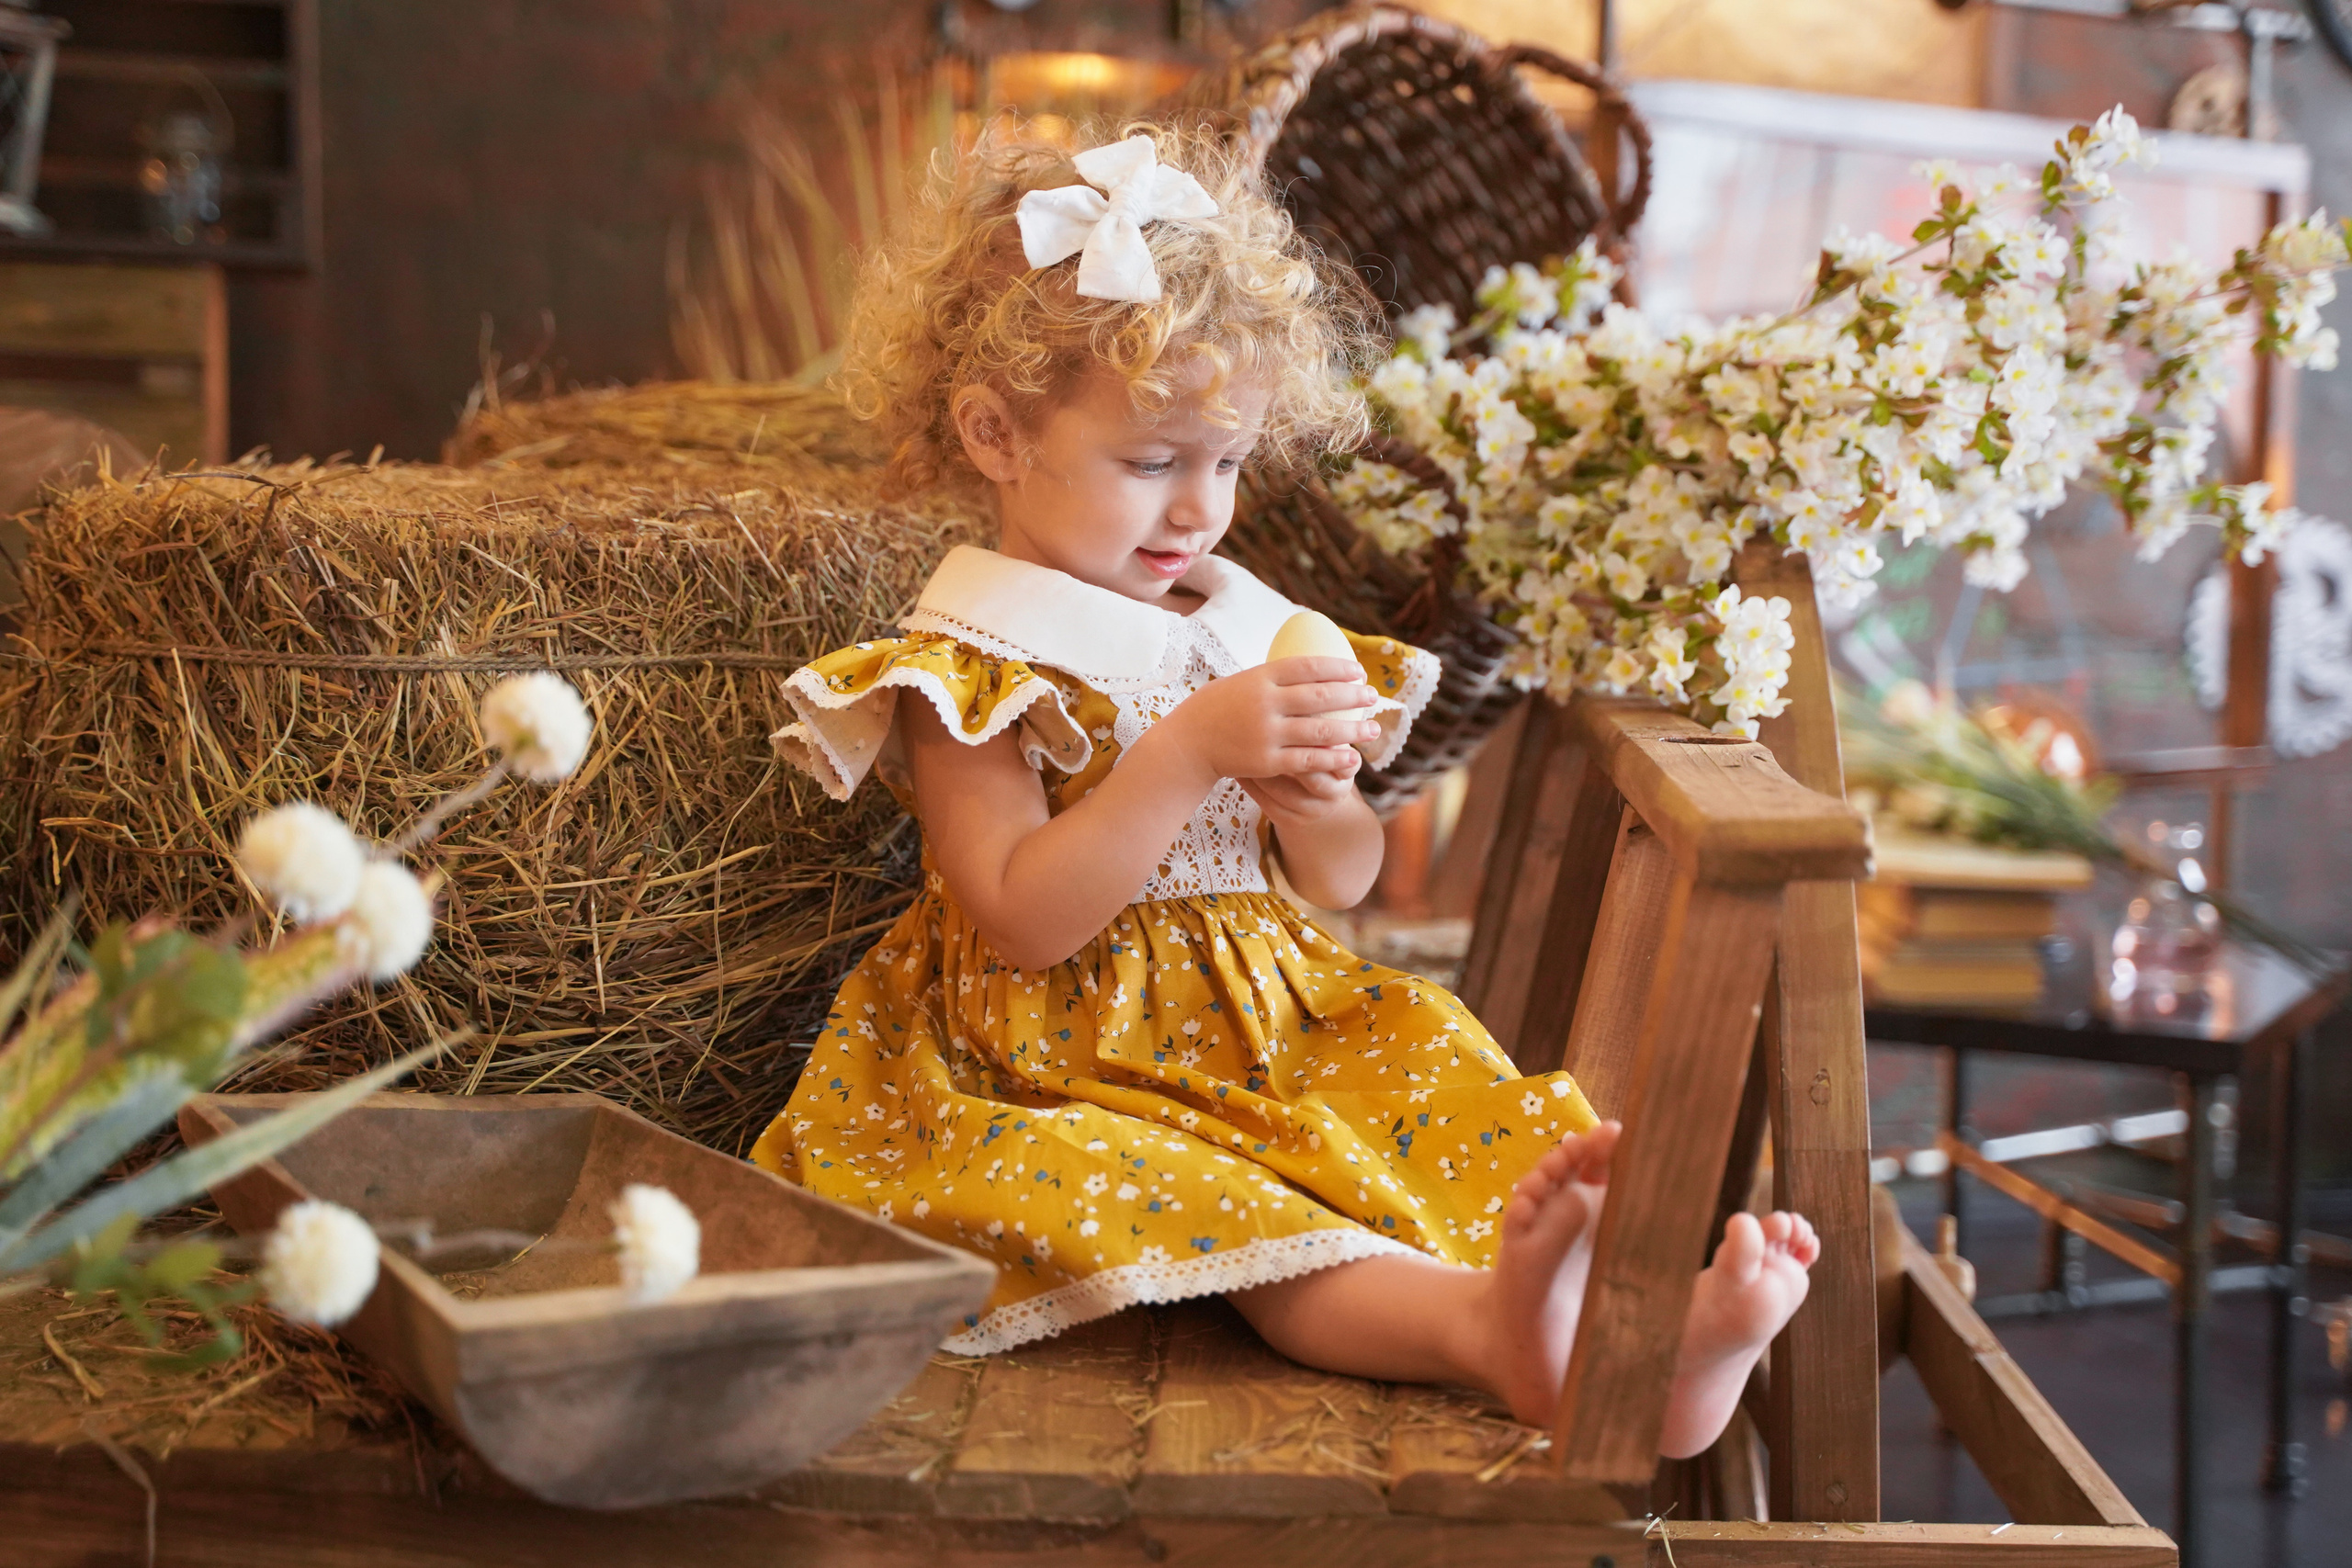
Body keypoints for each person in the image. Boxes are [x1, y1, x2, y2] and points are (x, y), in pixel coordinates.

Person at [751, 121, 1815, 1457]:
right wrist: (1190, 751)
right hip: (1063, 1060)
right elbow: (1021, 918)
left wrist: (1317, 796)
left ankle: (1651, 1351)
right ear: (996, 433)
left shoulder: (1247, 622)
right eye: (1152, 463)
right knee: (1237, 1214)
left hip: (1274, 1015)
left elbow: (1344, 879)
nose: (1198, 508)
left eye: (1231, 461)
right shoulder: (972, 662)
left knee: (1444, 1079)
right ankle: (1487, 1331)